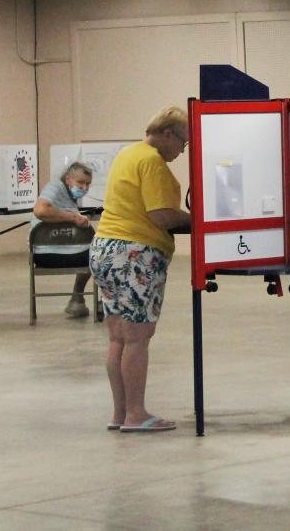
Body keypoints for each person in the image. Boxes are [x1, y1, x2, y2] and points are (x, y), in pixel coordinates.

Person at [89, 106, 191, 433]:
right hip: (134, 253)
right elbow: (162, 216)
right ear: (167, 134)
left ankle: (121, 413)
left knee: (118, 336)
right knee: (138, 337)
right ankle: (136, 414)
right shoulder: (152, 161)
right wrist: (202, 220)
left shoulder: (128, 154)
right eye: (183, 141)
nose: (184, 149)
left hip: (105, 248)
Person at [31, 162, 95, 318]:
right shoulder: (55, 187)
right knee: (100, 252)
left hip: (47, 257)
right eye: (80, 182)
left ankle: (77, 299)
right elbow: (40, 210)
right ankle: (78, 297)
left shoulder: (69, 196)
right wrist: (73, 218)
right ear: (68, 179)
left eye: (88, 184)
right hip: (46, 254)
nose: (84, 188)